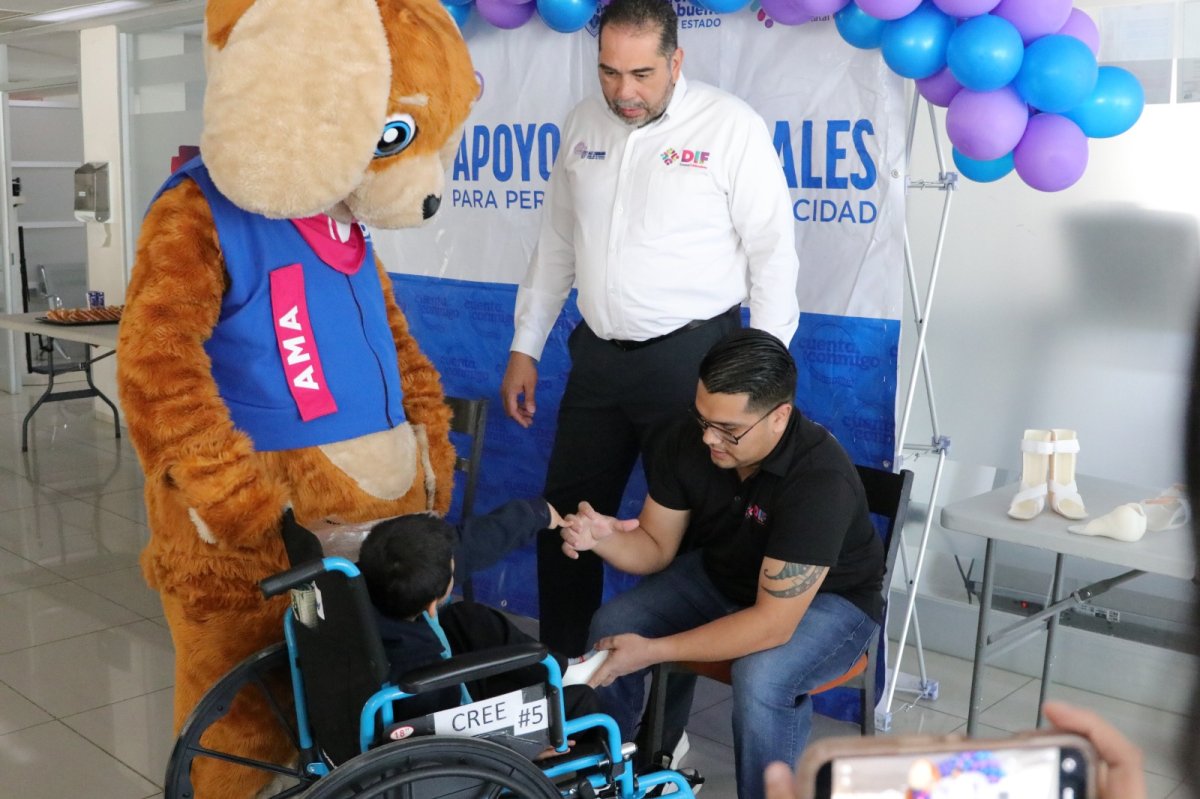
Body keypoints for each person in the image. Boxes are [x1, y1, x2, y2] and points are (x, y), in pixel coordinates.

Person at [500, 0, 801, 658]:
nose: (624, 92)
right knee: (569, 523)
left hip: (694, 364)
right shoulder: (583, 123)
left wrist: (765, 379)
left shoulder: (729, 126)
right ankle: (568, 682)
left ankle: (667, 699)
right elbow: (556, 244)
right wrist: (526, 345)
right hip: (599, 361)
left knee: (689, 535)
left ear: (675, 61)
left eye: (641, 74)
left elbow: (774, 255)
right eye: (609, 72)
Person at [561, 329, 883, 799]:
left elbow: (771, 625)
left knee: (762, 677)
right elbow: (655, 546)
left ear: (779, 417)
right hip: (725, 572)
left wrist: (653, 650)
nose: (709, 437)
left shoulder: (819, 479)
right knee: (613, 625)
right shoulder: (687, 436)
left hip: (832, 601)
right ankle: (607, 779)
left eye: (729, 430)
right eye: (703, 418)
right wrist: (602, 540)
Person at [357, 512, 600, 726]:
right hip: (458, 730)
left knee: (467, 617)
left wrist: (536, 513)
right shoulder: (424, 674)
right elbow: (445, 740)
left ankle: (561, 671)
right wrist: (527, 749)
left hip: (401, 668)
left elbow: (467, 544)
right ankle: (557, 677)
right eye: (453, 570)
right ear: (431, 607)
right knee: (580, 701)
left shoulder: (359, 585)